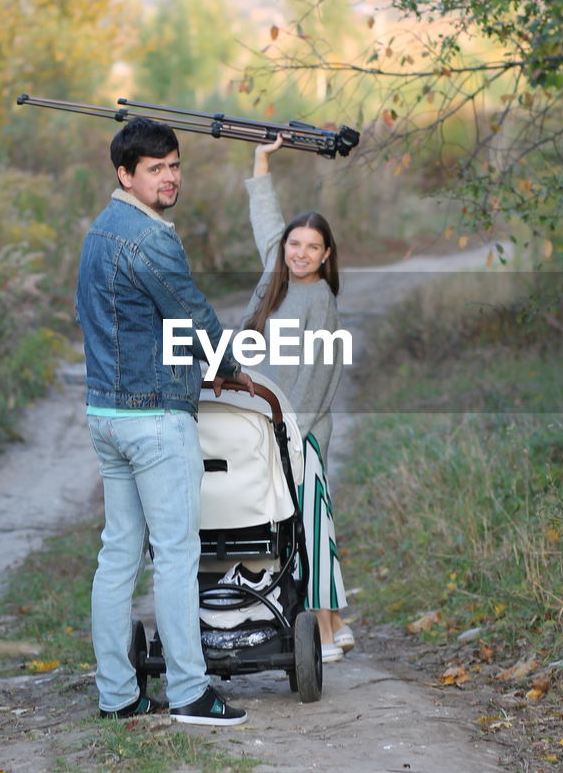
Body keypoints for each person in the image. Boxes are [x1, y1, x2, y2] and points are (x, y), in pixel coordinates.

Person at [75, 117, 254, 725]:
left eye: (175, 165)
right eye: (156, 169)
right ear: (125, 175)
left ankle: (118, 696)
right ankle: (190, 693)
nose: (170, 177)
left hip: (105, 413)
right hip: (153, 419)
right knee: (176, 554)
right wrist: (228, 366)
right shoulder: (150, 239)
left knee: (119, 553)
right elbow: (193, 316)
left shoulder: (98, 232)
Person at [241, 136, 354, 663]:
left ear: (327, 255)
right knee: (290, 522)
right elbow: (266, 216)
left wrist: (288, 435)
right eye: (295, 244)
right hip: (265, 424)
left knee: (307, 522)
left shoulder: (320, 299)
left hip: (299, 428)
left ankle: (325, 632)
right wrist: (262, 160)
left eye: (313, 247)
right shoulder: (275, 271)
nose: (301, 253)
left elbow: (317, 376)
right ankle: (335, 623)